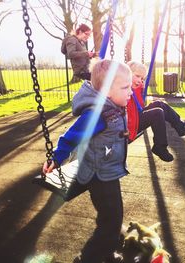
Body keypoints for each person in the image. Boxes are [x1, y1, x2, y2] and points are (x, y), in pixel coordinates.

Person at [42, 59, 133, 263]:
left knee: (111, 218)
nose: (131, 91)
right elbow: (72, 135)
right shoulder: (98, 113)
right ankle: (87, 258)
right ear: (107, 92)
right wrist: (56, 157)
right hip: (99, 175)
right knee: (111, 220)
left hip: (107, 171)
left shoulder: (112, 107)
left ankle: (107, 254)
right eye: (125, 87)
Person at [126, 61, 185, 162]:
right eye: (137, 76)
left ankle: (181, 126)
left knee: (159, 104)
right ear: (126, 73)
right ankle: (159, 146)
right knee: (157, 113)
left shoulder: (137, 87)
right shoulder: (122, 88)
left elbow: (139, 105)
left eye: (142, 78)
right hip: (130, 127)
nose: (140, 81)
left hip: (136, 118)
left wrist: (141, 88)